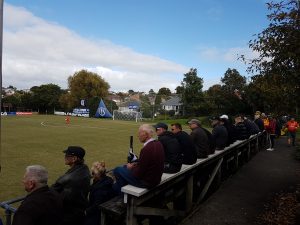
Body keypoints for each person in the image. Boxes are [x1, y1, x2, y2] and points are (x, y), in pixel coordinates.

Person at [112, 124, 165, 195]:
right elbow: (148, 162)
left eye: (139, 133)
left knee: (117, 170)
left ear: (146, 135)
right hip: (155, 179)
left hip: (147, 182)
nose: (138, 135)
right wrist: (136, 163)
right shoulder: (158, 143)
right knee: (124, 168)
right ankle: (121, 193)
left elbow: (138, 174)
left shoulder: (147, 149)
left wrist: (130, 168)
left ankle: (123, 199)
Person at [51, 146, 91, 225]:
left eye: (67, 155)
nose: (65, 157)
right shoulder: (85, 169)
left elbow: (54, 192)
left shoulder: (70, 178)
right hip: (80, 212)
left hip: (70, 216)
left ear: (74, 158)